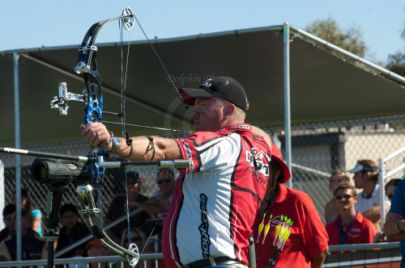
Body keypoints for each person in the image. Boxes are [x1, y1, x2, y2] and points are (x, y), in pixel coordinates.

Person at [81, 76, 271, 267]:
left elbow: (162, 148)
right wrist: (240, 120)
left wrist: (112, 142)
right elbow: (263, 135)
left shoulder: (222, 144)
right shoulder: (258, 147)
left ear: (228, 110)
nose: (195, 112)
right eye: (195, 105)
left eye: (203, 104)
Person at [253, 140, 328, 268]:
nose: (257, 173)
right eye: (253, 166)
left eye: (263, 167)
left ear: (276, 173)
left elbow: (320, 250)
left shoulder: (297, 201)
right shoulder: (245, 202)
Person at [105, 171, 151, 243]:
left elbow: (151, 219)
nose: (130, 185)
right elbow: (106, 222)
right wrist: (115, 241)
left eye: (133, 182)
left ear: (139, 185)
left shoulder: (145, 201)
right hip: (117, 241)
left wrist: (135, 204)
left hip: (138, 241)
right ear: (124, 185)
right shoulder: (117, 200)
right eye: (127, 183)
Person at [349, 159, 389, 228]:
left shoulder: (384, 191)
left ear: (366, 176)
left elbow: (383, 209)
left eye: (356, 174)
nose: (353, 178)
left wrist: (356, 221)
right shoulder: (358, 197)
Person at [383, 178, 405, 267]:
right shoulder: (402, 186)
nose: (392, 198)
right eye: (390, 196)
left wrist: (398, 228)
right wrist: (400, 225)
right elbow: (388, 231)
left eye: (393, 196)